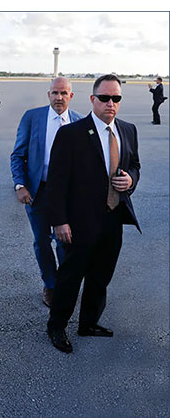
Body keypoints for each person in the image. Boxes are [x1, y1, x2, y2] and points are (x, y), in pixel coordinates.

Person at [46, 74, 141, 353]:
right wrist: (59, 221)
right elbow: (57, 181)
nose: (110, 103)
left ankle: (88, 323)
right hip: (79, 222)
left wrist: (131, 180)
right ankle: (57, 325)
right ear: (92, 99)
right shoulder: (72, 134)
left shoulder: (128, 130)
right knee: (71, 277)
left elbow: (134, 164)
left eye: (116, 98)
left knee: (101, 276)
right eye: (104, 98)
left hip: (113, 218)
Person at [10, 77, 83, 308]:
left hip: (67, 195)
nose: (58, 97)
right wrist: (20, 185)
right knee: (42, 241)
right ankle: (50, 285)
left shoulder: (79, 122)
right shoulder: (33, 118)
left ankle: (64, 283)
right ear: (48, 94)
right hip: (38, 191)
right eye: (54, 93)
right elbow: (17, 155)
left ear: (71, 96)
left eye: (63, 93)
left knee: (65, 241)